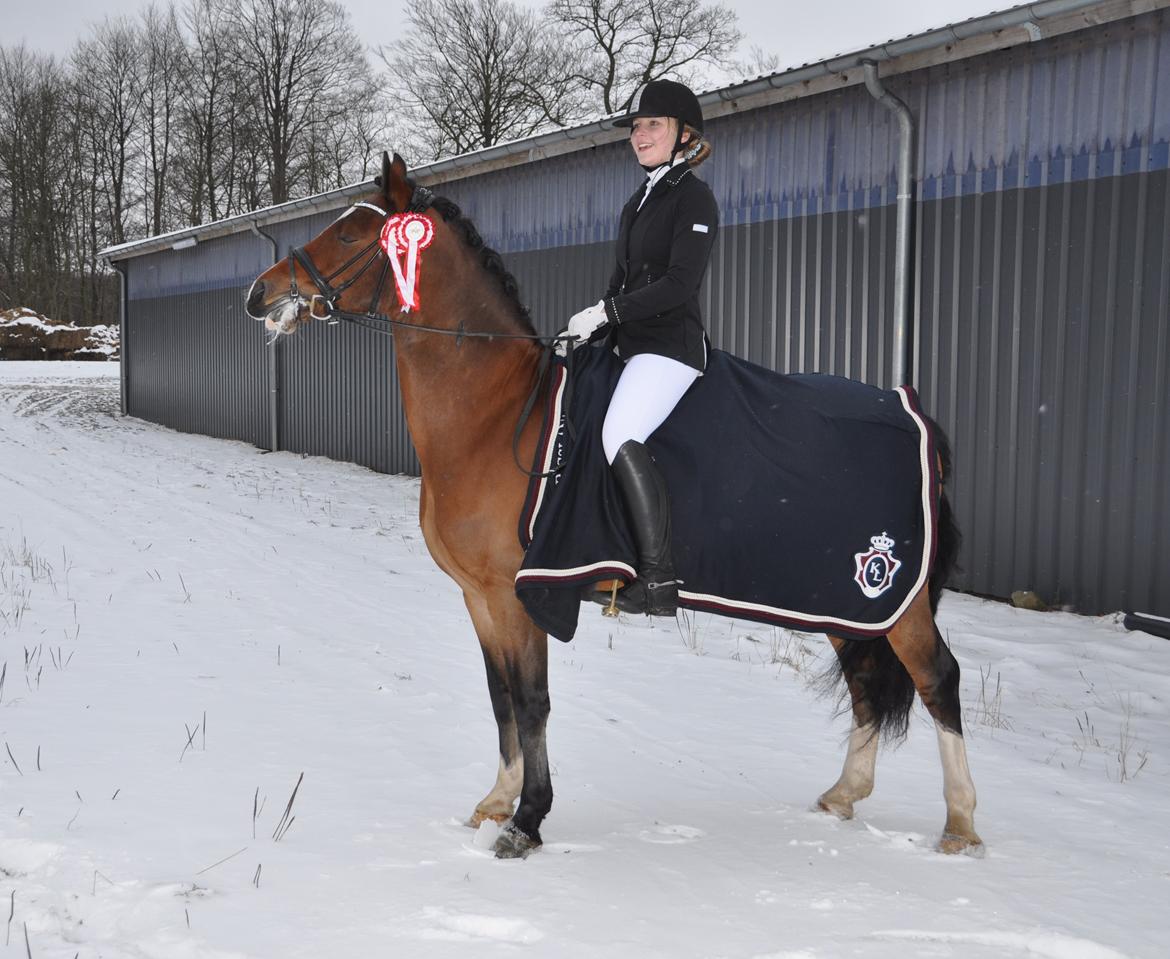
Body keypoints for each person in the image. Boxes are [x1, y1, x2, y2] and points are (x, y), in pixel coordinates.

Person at [566, 79, 718, 617]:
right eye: (635, 127)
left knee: (620, 432)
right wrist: (589, 328)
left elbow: (679, 284)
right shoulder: (637, 202)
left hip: (668, 349)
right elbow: (621, 282)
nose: (639, 135)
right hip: (628, 344)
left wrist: (610, 313)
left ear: (684, 135)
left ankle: (658, 581)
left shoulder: (693, 197)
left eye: (652, 124)